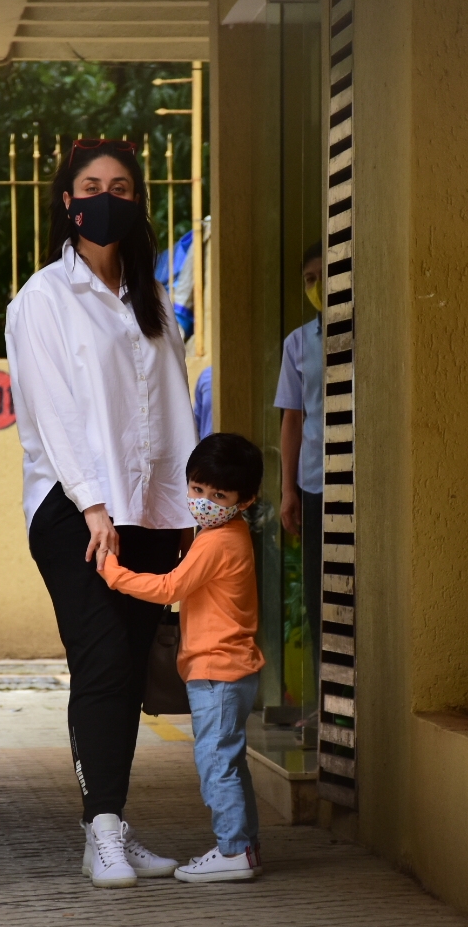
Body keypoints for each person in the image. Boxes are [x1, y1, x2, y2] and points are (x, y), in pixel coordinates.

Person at [5, 139, 197, 888]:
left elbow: (174, 413)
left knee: (126, 671)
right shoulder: (43, 299)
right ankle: (103, 829)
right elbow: (52, 414)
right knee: (104, 661)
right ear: (67, 200)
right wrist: (92, 506)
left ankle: (110, 823)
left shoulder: (152, 303)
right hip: (72, 510)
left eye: (120, 185)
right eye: (91, 185)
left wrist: (186, 514)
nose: (105, 196)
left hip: (148, 512)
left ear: (137, 200)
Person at [98, 433, 265, 883]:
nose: (203, 501)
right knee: (231, 761)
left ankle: (232, 852)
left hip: (216, 671)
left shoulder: (215, 542)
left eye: (218, 495)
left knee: (216, 763)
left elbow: (168, 588)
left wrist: (114, 574)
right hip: (233, 670)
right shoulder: (230, 532)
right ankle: (245, 847)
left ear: (245, 500)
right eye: (197, 489)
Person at [276, 244, 324, 681]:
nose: (318, 286)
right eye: (310, 279)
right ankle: (331, 704)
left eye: (325, 275)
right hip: (313, 486)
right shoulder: (298, 342)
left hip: (365, 487)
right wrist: (288, 490)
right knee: (318, 596)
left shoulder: (374, 331)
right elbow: (292, 420)